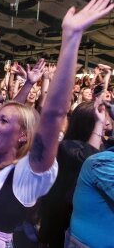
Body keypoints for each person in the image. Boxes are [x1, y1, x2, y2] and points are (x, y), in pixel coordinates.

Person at [0, 0, 114, 247]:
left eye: (4, 121)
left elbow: (54, 114)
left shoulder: (27, 173)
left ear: (23, 134)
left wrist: (71, 38)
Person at [39, 100, 106, 247]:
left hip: (83, 217)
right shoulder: (67, 146)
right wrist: (99, 123)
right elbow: (87, 159)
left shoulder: (104, 146)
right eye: (102, 119)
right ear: (89, 123)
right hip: (61, 216)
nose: (107, 122)